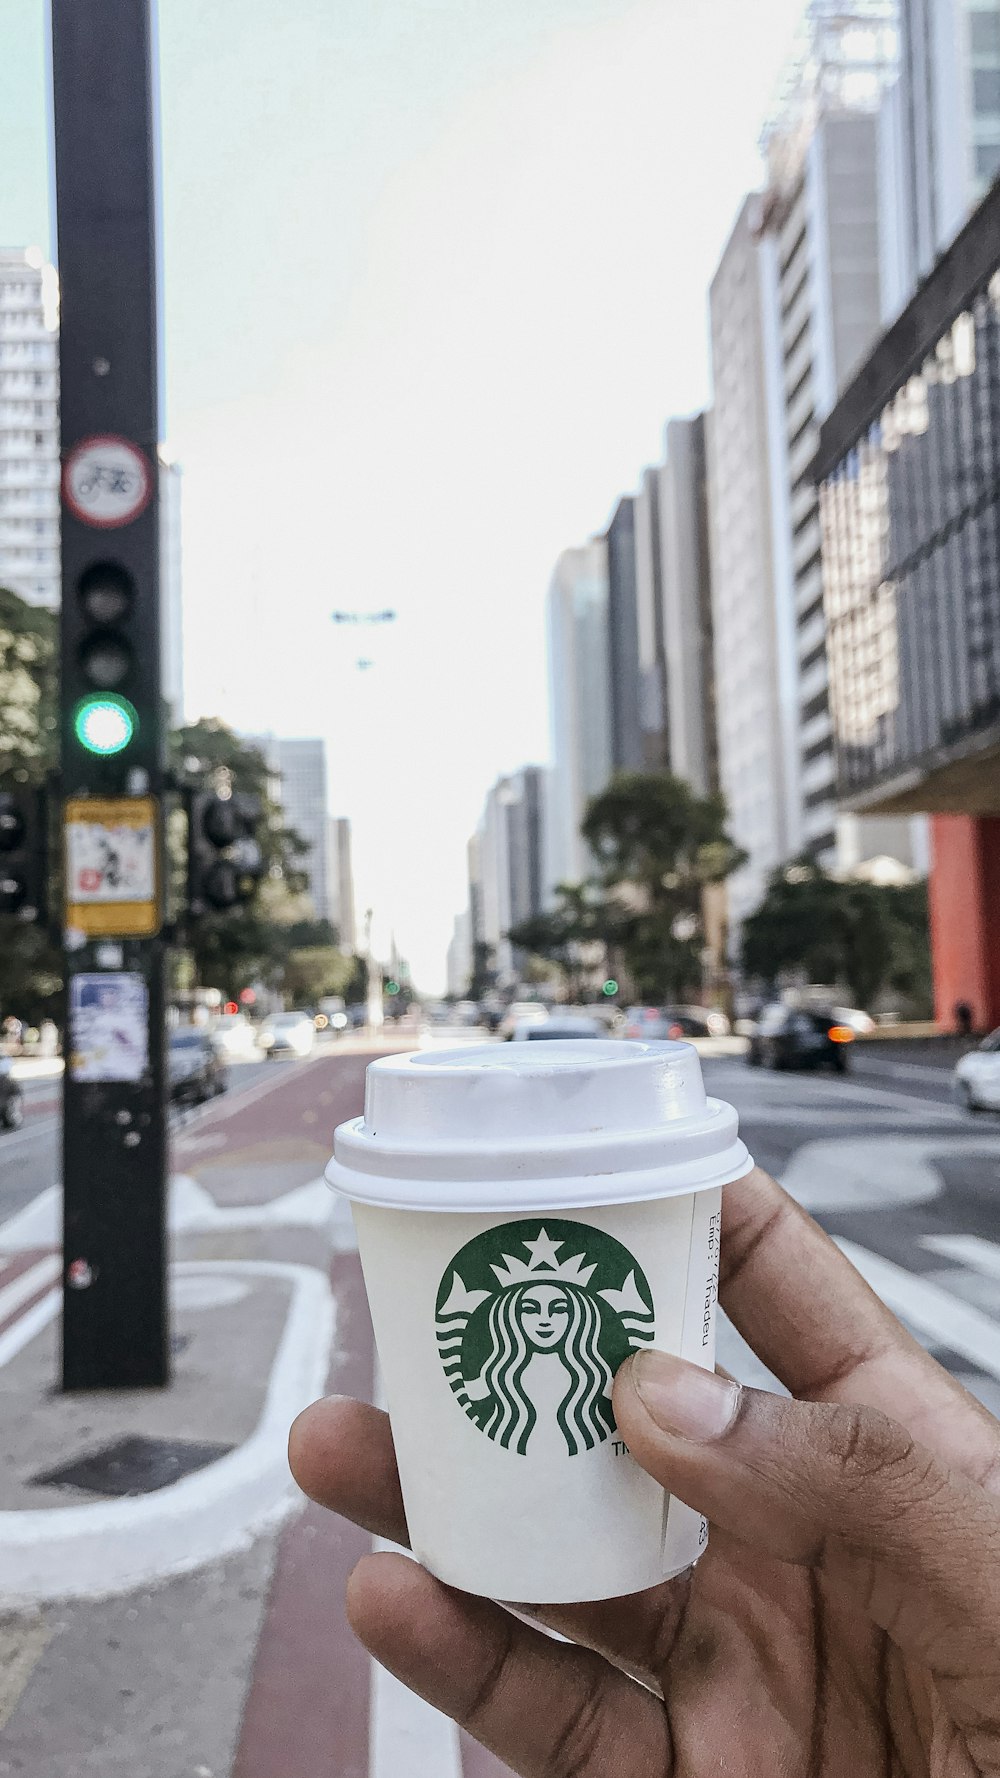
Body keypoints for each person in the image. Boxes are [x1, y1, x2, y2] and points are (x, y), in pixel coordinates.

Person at [289, 1165, 1000, 1775]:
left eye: (557, 1306)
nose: (541, 1319)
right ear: (504, 1315)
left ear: (579, 1315)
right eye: (526, 1305)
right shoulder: (504, 1385)